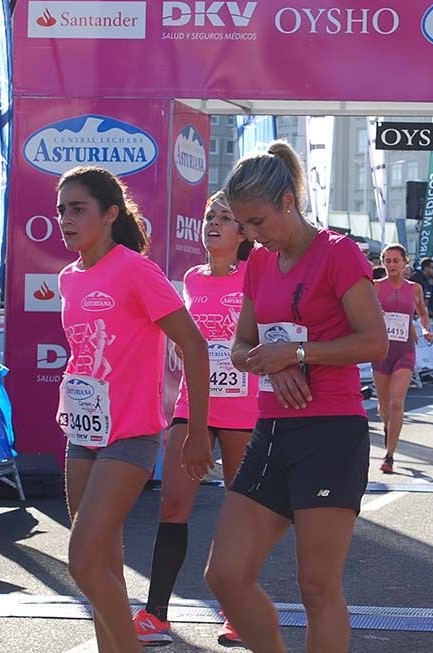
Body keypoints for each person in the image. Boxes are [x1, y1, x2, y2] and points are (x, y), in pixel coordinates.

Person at [197, 140, 387, 653]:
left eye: (257, 222)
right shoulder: (259, 263)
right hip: (271, 429)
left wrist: (297, 354)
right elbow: (240, 347)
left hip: (331, 431)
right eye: (243, 225)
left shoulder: (337, 252)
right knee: (225, 574)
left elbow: (375, 342)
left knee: (317, 587)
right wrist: (269, 359)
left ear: (287, 201)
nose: (251, 236)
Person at [55, 166, 210, 653]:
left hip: (131, 434)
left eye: (78, 209)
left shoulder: (136, 270)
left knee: (82, 560)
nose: (66, 219)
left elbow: (195, 345)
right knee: (104, 565)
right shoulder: (68, 278)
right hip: (84, 433)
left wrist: (197, 430)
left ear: (110, 214)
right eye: (61, 210)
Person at [132, 191, 258, 647]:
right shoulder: (190, 278)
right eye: (209, 216)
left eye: (225, 218)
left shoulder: (255, 275)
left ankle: (237, 612)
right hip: (193, 406)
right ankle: (155, 615)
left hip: (244, 409)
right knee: (173, 505)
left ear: (242, 233)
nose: (214, 223)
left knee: (240, 513)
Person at [372, 244, 433, 474]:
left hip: (405, 351)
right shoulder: (376, 287)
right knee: (384, 407)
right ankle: (388, 427)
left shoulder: (415, 288)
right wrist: (375, 314)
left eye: (396, 260)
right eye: (387, 261)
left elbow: (422, 312)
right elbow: (363, 312)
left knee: (396, 402)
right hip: (381, 351)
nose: (392, 265)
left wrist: (425, 329)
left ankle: (389, 456)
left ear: (405, 262)